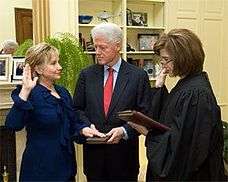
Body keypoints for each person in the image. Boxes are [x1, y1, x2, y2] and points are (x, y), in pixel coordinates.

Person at [128, 29, 226, 181]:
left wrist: (149, 133)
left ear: (184, 58)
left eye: (166, 59)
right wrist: (160, 87)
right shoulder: (187, 85)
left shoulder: (195, 94)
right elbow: (170, 118)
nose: (163, 64)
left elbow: (182, 149)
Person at [5, 43, 104, 181]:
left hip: (66, 165)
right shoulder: (30, 93)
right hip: (40, 169)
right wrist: (25, 91)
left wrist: (83, 129)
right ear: (39, 69)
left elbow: (72, 122)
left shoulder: (63, 93)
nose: (60, 67)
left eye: (59, 62)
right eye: (53, 63)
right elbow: (12, 124)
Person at [73, 23, 151, 181]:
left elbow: (144, 114)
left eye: (103, 47)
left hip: (124, 158)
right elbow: (77, 109)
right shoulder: (86, 75)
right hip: (94, 159)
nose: (97, 52)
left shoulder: (138, 76)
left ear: (117, 46)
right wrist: (86, 126)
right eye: (95, 47)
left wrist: (124, 131)